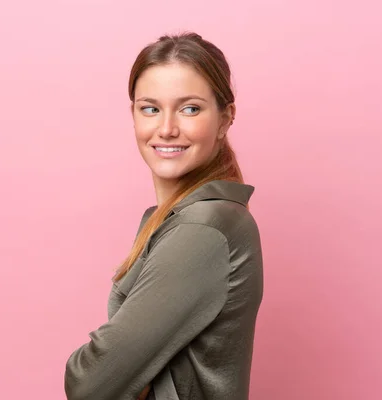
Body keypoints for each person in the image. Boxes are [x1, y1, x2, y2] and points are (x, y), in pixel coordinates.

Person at [64, 32, 264, 400]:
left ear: (225, 118)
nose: (167, 128)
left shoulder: (203, 229)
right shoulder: (186, 219)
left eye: (190, 108)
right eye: (151, 108)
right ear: (134, 115)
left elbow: (90, 382)